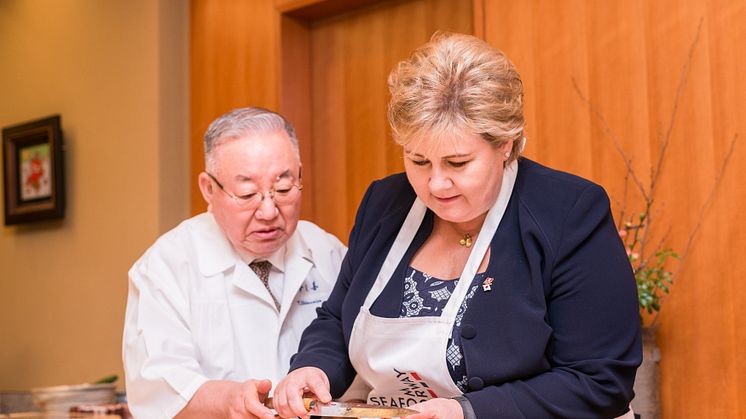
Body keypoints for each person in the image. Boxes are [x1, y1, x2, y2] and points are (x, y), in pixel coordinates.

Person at [270, 32, 641, 419]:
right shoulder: (385, 203)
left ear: (506, 145)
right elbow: (338, 318)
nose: (435, 185)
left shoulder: (568, 212)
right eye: (418, 161)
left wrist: (467, 412)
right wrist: (312, 367)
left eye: (458, 164)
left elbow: (600, 380)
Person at [122, 107, 346, 418]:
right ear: (209, 189)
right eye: (247, 193)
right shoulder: (166, 266)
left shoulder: (328, 252)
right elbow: (159, 389)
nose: (268, 211)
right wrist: (231, 400)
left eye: (283, 188)